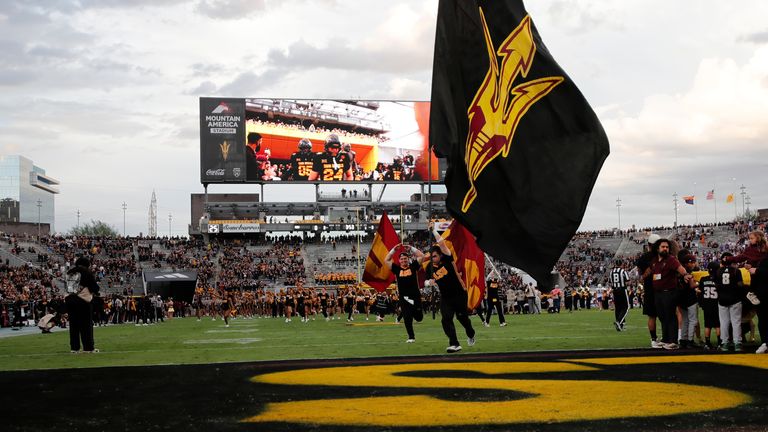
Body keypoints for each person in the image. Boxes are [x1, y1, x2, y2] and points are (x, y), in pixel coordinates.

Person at [425, 221, 476, 353]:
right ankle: (454, 343)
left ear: (440, 255)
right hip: (446, 297)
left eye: (435, 256)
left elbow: (441, 244)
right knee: (446, 319)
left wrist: (433, 231)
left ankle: (470, 334)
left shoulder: (447, 259)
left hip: (459, 293)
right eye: (431, 256)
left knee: (462, 318)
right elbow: (425, 281)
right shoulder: (430, 268)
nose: (433, 258)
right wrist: (428, 283)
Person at [642, 238, 693, 350]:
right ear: (657, 248)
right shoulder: (655, 260)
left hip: (669, 292)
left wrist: (685, 275)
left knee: (670, 316)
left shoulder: (671, 259)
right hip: (658, 293)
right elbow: (649, 271)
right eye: (663, 247)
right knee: (662, 317)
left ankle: (673, 341)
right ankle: (666, 339)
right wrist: (642, 277)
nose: (665, 249)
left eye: (667, 247)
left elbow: (680, 268)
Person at [385, 243, 425, 343]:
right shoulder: (396, 269)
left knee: (419, 318)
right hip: (404, 297)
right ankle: (411, 337)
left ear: (408, 259)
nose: (403, 260)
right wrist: (393, 249)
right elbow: (386, 260)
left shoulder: (413, 266)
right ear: (399, 261)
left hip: (415, 296)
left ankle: (417, 315)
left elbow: (422, 256)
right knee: (407, 317)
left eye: (405, 258)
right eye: (401, 259)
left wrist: (411, 248)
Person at [64, 257, 100, 353]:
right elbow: (94, 288)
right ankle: (88, 348)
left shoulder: (69, 273)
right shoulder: (86, 272)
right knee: (86, 325)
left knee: (74, 326)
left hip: (70, 300)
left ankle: (74, 348)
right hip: (83, 300)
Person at [637, 234, 662, 348]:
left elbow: (640, 274)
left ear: (649, 245)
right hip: (662, 289)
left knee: (652, 316)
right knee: (666, 315)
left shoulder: (643, 258)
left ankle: (653, 339)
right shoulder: (663, 256)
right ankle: (667, 338)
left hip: (650, 289)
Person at [717, 252, 745, 352]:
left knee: (724, 322)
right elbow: (740, 285)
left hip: (722, 299)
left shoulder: (719, 271)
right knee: (736, 322)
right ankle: (737, 343)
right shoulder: (736, 271)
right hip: (735, 299)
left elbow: (717, 285)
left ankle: (724, 343)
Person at [699, 261, 722, 350]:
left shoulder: (703, 279)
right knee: (717, 325)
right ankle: (719, 343)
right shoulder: (718, 280)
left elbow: (700, 291)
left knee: (707, 325)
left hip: (707, 305)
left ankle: (707, 344)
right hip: (716, 305)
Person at [749, 254, 768, 353]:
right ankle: (765, 342)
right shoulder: (759, 259)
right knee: (762, 320)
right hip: (761, 295)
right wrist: (752, 291)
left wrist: (757, 270)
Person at [609, 260, 630, 331]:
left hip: (615, 290)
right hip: (622, 290)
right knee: (626, 307)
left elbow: (610, 282)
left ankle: (620, 325)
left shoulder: (611, 272)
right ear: (621, 264)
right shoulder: (623, 271)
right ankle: (619, 321)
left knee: (618, 308)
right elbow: (628, 281)